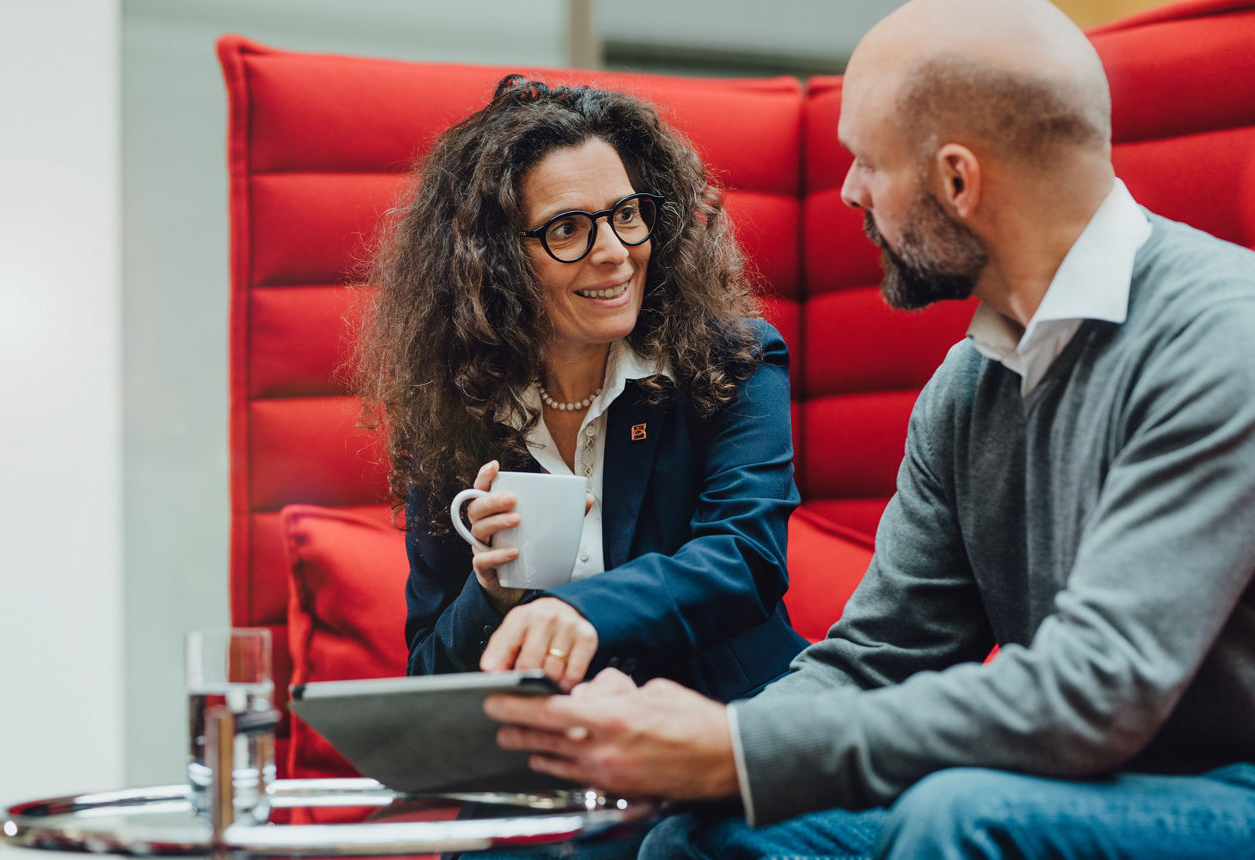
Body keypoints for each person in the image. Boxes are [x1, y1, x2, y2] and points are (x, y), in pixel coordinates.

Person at [481, 0, 1255, 857]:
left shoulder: (1223, 337)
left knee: (957, 819)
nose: (847, 189)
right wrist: (702, 757)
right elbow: (877, 654)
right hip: (1064, 783)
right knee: (703, 831)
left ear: (958, 181)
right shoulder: (969, 388)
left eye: (868, 162)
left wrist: (737, 749)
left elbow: (1097, 691)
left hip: (1228, 786)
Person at [354, 76, 807, 706]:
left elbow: (745, 561)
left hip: (722, 726)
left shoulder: (733, 360)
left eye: (626, 215)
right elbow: (430, 677)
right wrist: (489, 597)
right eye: (567, 229)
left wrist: (577, 611)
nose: (616, 253)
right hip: (547, 760)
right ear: (493, 261)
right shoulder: (456, 409)